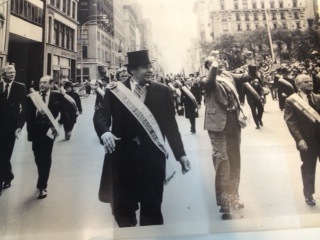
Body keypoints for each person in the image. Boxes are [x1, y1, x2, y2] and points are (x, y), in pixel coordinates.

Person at [93, 49, 191, 227]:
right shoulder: (115, 91)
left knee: (152, 213)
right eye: (145, 67)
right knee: (123, 213)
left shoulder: (162, 91)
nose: (150, 70)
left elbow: (171, 126)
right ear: (132, 71)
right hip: (123, 160)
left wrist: (181, 155)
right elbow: (101, 114)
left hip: (152, 160)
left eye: (150, 66)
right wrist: (105, 131)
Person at [201, 57, 253, 215]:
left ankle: (234, 196)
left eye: (220, 60)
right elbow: (210, 82)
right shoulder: (204, 78)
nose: (220, 62)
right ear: (209, 66)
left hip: (233, 121)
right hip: (217, 124)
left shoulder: (229, 76)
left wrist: (251, 60)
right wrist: (214, 63)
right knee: (222, 159)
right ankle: (224, 200)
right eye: (215, 61)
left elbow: (249, 76)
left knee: (234, 158)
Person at [26, 75, 70, 199]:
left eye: (45, 83)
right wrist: (25, 130)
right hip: (35, 131)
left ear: (51, 84)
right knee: (37, 157)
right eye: (40, 82)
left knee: (45, 157)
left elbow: (65, 114)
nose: (42, 85)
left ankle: (42, 186)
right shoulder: (33, 97)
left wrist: (60, 126)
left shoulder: (57, 96)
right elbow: (28, 115)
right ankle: (42, 177)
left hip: (49, 132)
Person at [284, 74, 320, 206]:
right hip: (307, 141)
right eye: (306, 82)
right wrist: (299, 140)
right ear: (298, 86)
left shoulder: (317, 98)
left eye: (311, 81)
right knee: (309, 168)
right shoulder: (291, 101)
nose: (310, 83)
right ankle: (308, 194)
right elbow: (291, 122)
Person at [0, 65, 26, 196]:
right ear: (3, 74)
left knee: (6, 154)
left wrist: (19, 127)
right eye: (9, 72)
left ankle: (6, 178)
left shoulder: (20, 87)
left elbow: (25, 110)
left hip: (11, 127)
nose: (12, 74)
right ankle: (7, 176)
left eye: (14, 72)